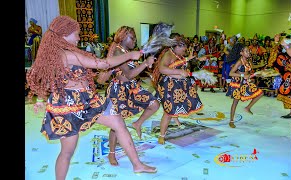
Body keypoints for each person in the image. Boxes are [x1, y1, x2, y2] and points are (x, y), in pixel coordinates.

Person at [26, 16, 157, 180]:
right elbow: (103, 64)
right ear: (65, 34)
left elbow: (45, 76)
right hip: (69, 107)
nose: (79, 38)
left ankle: (137, 164)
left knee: (118, 123)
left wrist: (39, 99)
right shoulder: (67, 54)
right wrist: (130, 55)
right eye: (77, 34)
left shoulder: (61, 52)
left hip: (88, 100)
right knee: (67, 152)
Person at [97, 25, 159, 166]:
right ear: (123, 36)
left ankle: (137, 123)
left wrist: (145, 69)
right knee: (116, 124)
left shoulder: (126, 51)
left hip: (131, 88)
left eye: (135, 38)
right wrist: (144, 63)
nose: (135, 40)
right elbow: (129, 74)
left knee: (154, 104)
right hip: (118, 91)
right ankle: (111, 154)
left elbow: (133, 73)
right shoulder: (118, 51)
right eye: (132, 37)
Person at [152, 33, 207, 144]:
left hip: (178, 85)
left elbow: (179, 63)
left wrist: (190, 59)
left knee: (181, 105)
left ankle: (175, 118)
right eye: (183, 47)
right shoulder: (168, 54)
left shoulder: (177, 55)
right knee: (168, 112)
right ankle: (162, 135)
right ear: (175, 46)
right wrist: (178, 72)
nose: (185, 49)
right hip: (169, 86)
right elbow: (162, 68)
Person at [226, 43, 264, 128]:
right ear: (241, 53)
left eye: (249, 51)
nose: (249, 52)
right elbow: (231, 73)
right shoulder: (239, 62)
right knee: (235, 102)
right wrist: (243, 76)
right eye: (246, 51)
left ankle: (248, 107)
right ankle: (231, 121)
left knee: (260, 93)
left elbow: (250, 71)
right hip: (238, 82)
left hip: (246, 81)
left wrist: (260, 71)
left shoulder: (249, 61)